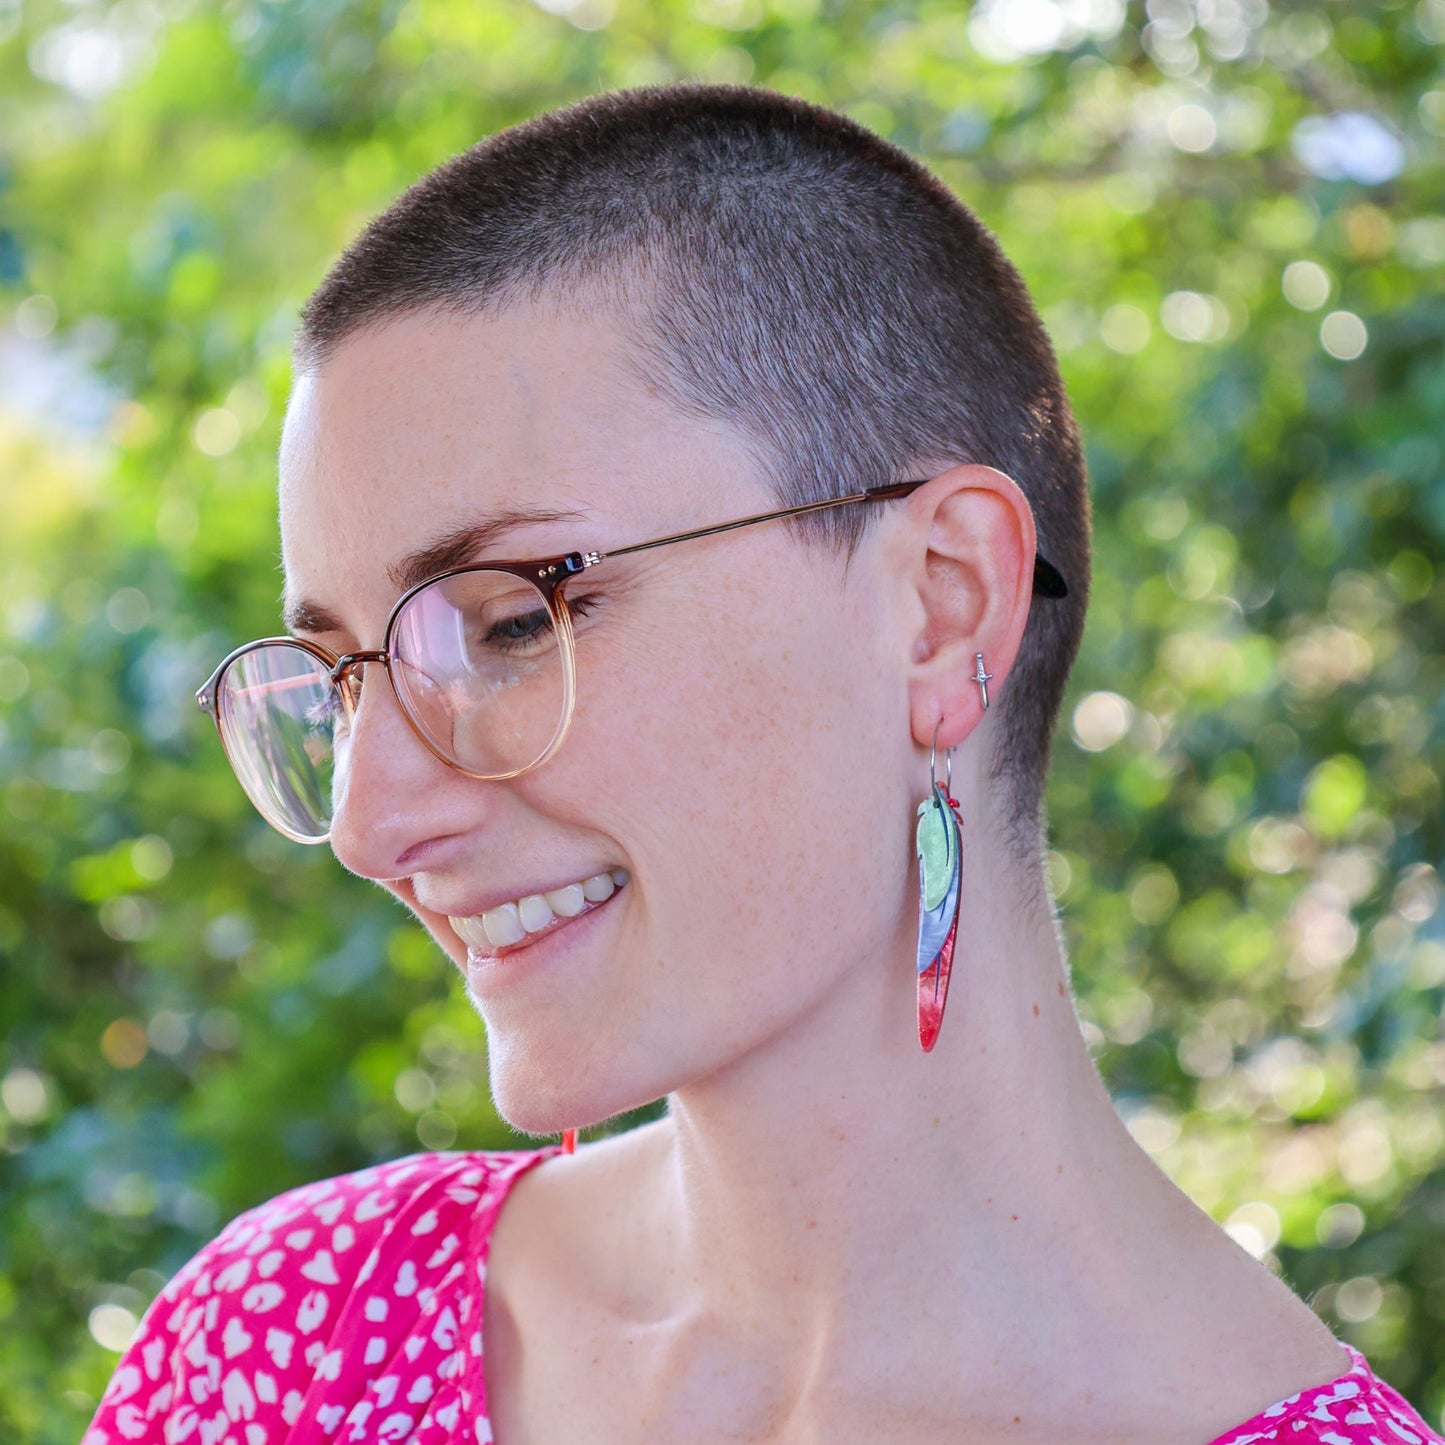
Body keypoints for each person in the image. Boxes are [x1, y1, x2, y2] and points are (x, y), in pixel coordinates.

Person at [85, 84, 1439, 1445]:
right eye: (339, 679)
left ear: (941, 602)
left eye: (510, 620)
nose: (374, 821)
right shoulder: (283, 1346)